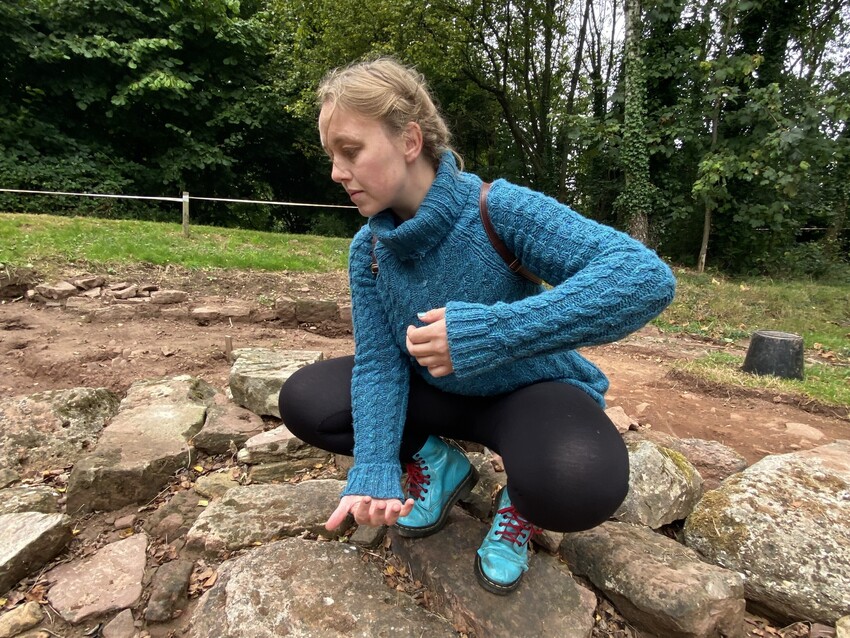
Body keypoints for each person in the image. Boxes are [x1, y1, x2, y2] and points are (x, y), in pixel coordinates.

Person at [279, 57, 676, 595]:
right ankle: (439, 466)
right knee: (307, 398)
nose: (336, 172)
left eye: (351, 151)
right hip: (437, 393)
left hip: (527, 393)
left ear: (410, 141)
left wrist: (492, 332)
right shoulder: (369, 249)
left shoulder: (498, 209)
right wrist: (373, 465)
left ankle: (520, 500)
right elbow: (378, 363)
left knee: (581, 483)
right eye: (332, 156)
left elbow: (644, 278)